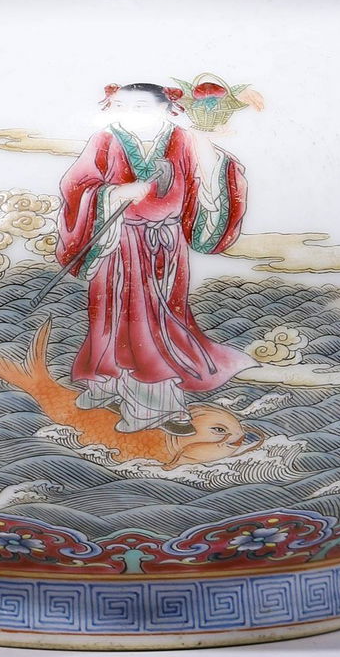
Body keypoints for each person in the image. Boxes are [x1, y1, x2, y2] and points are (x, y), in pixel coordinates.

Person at [56, 81, 248, 433]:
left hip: (165, 245)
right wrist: (115, 194)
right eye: (120, 106)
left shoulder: (185, 140)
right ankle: (107, 385)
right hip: (118, 243)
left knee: (153, 321)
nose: (128, 113)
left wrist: (210, 162)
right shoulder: (105, 140)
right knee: (110, 315)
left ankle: (155, 406)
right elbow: (77, 186)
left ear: (166, 108)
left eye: (140, 107)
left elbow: (215, 178)